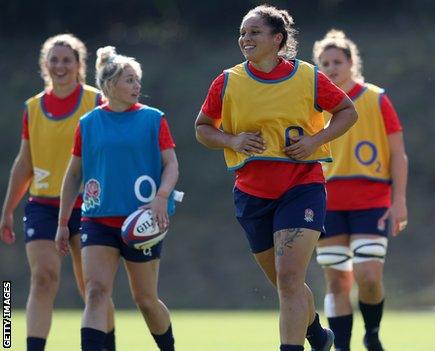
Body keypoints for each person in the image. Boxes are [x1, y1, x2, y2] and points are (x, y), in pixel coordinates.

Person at [195, 5, 358, 351]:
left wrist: (315, 141)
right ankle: (317, 333)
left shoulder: (308, 76)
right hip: (251, 195)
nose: (245, 39)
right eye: (242, 33)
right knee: (285, 283)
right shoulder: (227, 81)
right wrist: (233, 140)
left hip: (302, 187)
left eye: (254, 32)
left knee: (289, 278)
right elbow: (202, 129)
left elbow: (348, 111)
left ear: (277, 39)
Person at [55, 46, 179, 351]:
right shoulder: (88, 124)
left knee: (146, 301)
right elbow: (73, 176)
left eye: (137, 80)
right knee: (95, 292)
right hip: (97, 220)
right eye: (129, 80)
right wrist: (62, 222)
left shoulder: (154, 119)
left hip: (143, 223)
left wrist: (162, 196)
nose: (137, 86)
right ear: (109, 85)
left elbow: (171, 164)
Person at [0, 33, 115, 351]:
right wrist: (8, 208)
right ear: (44, 64)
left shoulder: (95, 102)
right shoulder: (33, 107)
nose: (60, 65)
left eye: (67, 60)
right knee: (43, 278)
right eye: (54, 59)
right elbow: (25, 163)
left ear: (79, 65)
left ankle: (108, 344)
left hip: (88, 206)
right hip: (44, 205)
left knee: (92, 287)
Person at [312, 30, 408, 351]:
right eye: (324, 63)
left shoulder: (376, 98)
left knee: (368, 276)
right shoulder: (313, 106)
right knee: (336, 281)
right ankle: (341, 345)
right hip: (327, 202)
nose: (331, 68)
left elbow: (398, 154)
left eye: (337, 61)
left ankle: (373, 333)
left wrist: (400, 201)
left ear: (352, 63)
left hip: (372, 201)